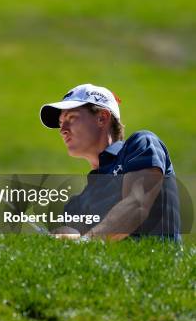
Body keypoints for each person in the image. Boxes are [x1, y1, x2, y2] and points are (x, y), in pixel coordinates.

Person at [39, 84, 181, 241]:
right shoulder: (75, 205)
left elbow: (137, 205)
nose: (62, 130)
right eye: (60, 123)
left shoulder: (142, 144)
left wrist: (85, 241)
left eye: (71, 118)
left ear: (102, 118)